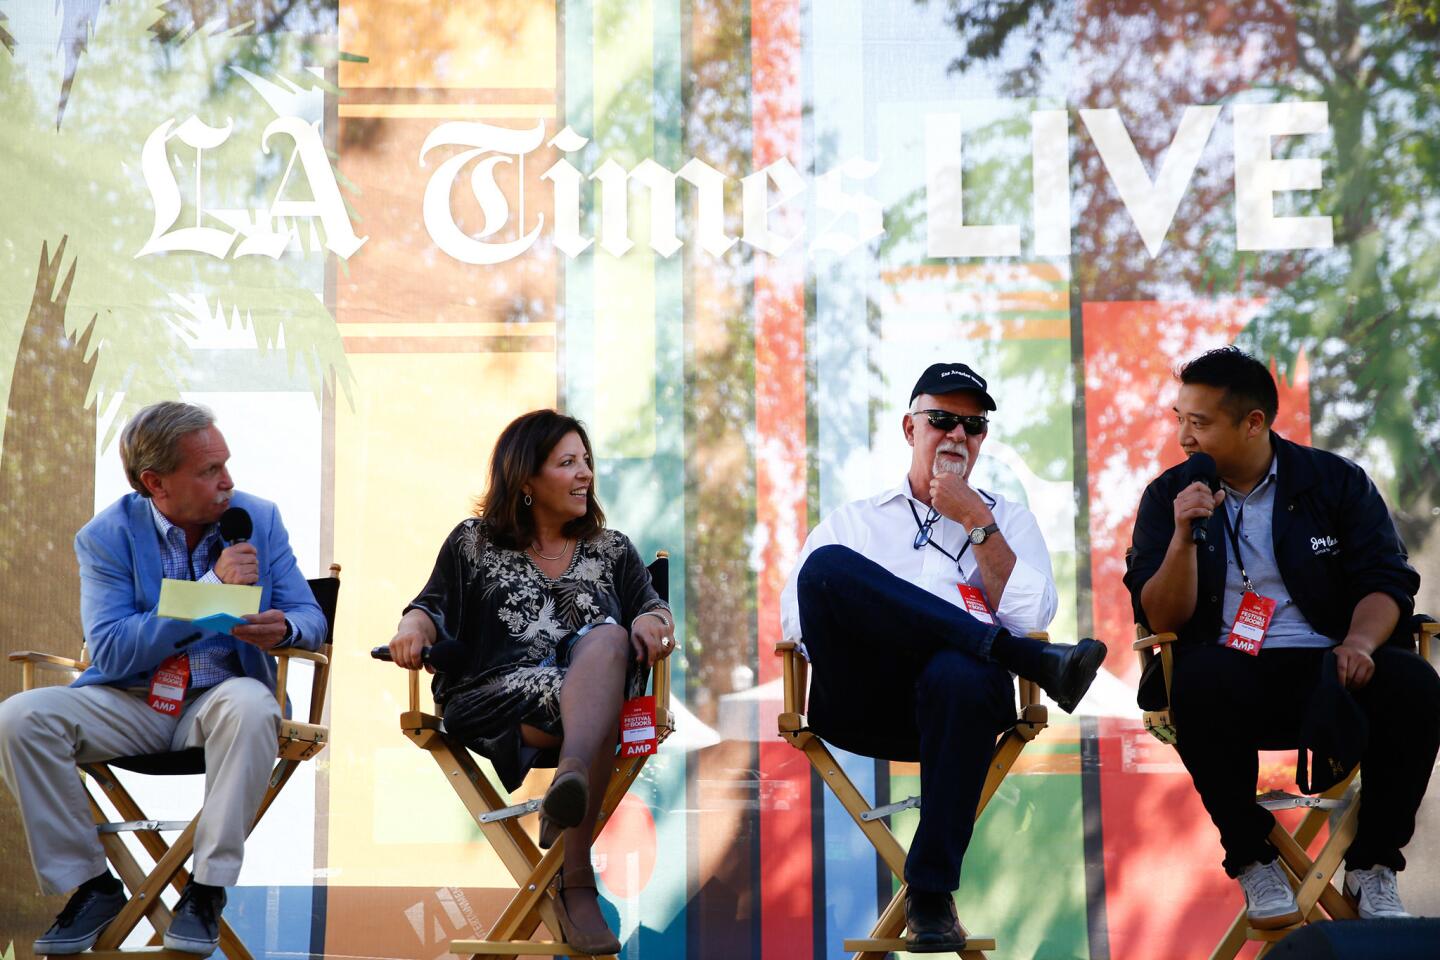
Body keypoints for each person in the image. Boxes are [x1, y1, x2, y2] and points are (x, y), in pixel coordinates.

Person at [780, 362, 1106, 952]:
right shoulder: (855, 521)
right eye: (942, 420)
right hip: (862, 701)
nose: (957, 435)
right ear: (911, 428)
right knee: (827, 568)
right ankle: (1029, 663)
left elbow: (1034, 616)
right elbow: (797, 618)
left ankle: (930, 895)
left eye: (972, 426)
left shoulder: (1007, 519)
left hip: (960, 711)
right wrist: (902, 623)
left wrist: (976, 522)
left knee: (959, 669)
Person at [1125, 346, 1440, 928]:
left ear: (1254, 423)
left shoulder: (1335, 483)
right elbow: (1160, 615)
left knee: (1415, 683)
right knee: (1196, 674)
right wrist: (1182, 535)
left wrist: (1361, 644)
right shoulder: (1168, 497)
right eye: (1179, 420)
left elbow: (1387, 581)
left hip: (1335, 667)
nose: (1184, 439)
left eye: (1200, 423)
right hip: (1231, 675)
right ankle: (1251, 858)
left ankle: (1373, 867)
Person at [0, 401, 327, 955]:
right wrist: (208, 591)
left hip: (220, 701)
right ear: (156, 483)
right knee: (18, 717)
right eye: (208, 471)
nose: (228, 482)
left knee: (250, 704)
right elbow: (111, 647)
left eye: (225, 464)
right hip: (130, 700)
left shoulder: (259, 519)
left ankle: (206, 889)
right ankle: (91, 885)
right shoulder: (104, 536)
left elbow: (311, 617)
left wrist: (285, 626)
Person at [386, 409, 675, 955]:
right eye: (568, 463)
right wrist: (408, 631)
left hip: (590, 705)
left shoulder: (612, 549)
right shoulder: (473, 543)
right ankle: (577, 864)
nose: (585, 473)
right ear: (526, 480)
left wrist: (650, 625)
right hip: (494, 700)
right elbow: (428, 610)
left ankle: (571, 792)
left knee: (610, 640)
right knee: (592, 695)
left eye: (587, 461)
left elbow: (654, 612)